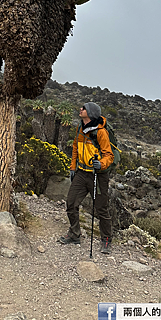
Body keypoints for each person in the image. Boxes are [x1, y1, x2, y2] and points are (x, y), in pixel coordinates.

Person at [58, 102, 113, 253]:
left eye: (84, 108)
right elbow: (75, 147)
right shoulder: (80, 128)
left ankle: (106, 239)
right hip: (82, 173)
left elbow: (109, 155)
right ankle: (75, 234)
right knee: (71, 203)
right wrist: (73, 167)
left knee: (101, 208)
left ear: (90, 113)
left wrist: (100, 164)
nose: (81, 109)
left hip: (98, 175)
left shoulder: (100, 132)